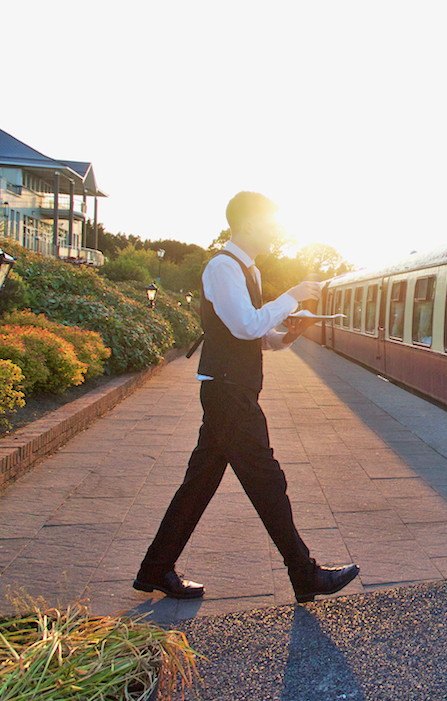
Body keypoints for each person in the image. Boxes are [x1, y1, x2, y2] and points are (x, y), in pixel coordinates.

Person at [133, 191, 359, 603]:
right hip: (228, 392)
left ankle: (155, 569)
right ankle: (304, 574)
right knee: (267, 481)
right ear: (249, 223)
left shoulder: (246, 269)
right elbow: (243, 326)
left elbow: (258, 336)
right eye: (271, 222)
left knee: (199, 484)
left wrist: (290, 333)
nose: (275, 230)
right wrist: (290, 296)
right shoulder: (224, 267)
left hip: (230, 389)